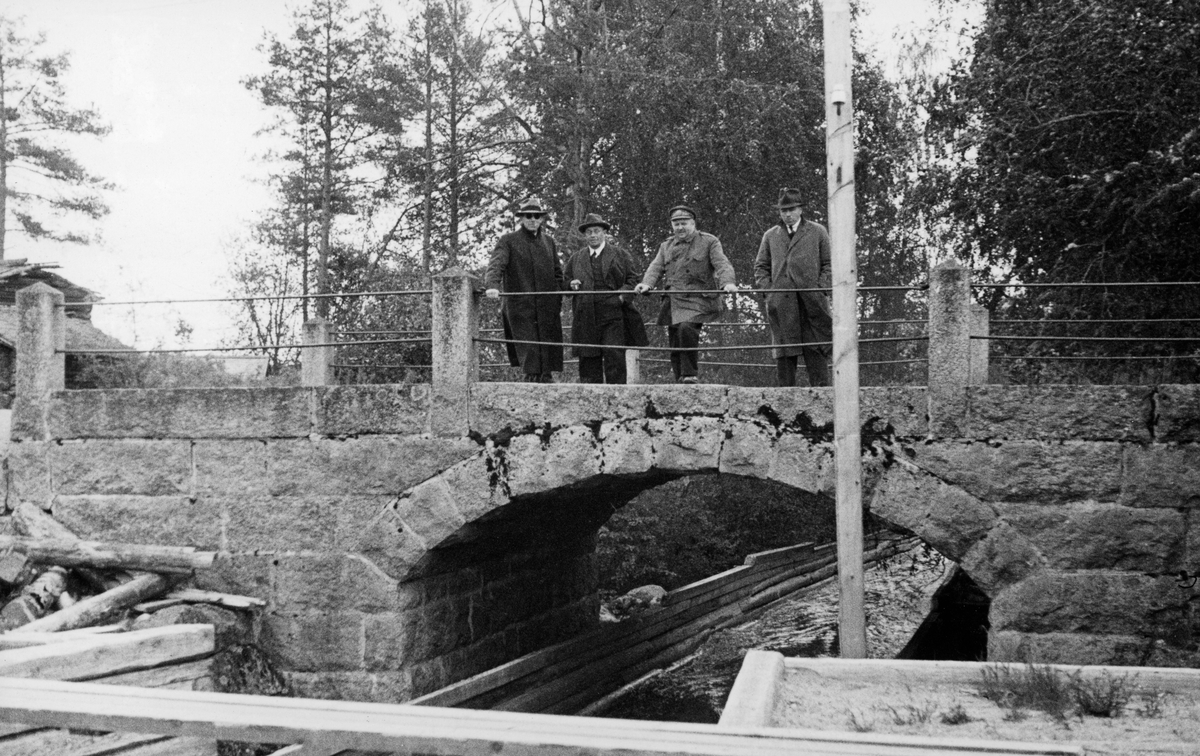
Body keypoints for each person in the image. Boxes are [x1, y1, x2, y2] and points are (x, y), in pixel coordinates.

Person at [634, 205, 737, 384]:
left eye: (684, 223)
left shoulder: (709, 241)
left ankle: (690, 374)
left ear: (693, 223)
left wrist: (727, 283)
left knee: (686, 329)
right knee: (675, 340)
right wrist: (646, 284)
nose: (680, 228)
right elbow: (656, 267)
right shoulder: (666, 246)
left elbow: (722, 264)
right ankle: (679, 379)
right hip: (674, 299)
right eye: (676, 224)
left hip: (699, 299)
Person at [753, 187, 833, 387]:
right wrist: (770, 292)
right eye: (783, 210)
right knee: (785, 352)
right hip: (782, 303)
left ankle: (823, 398)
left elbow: (830, 263)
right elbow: (760, 266)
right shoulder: (771, 235)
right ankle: (784, 403)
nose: (787, 214)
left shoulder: (817, 231)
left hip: (811, 302)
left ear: (801, 210)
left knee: (815, 348)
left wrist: (820, 287)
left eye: (792, 209)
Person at [484, 197, 565, 383]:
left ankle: (546, 378)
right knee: (528, 348)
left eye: (537, 216)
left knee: (547, 345)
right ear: (521, 218)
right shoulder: (508, 241)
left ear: (542, 219)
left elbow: (557, 273)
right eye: (528, 216)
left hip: (546, 304)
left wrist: (558, 296)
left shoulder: (548, 242)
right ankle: (531, 381)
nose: (533, 220)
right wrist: (492, 286)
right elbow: (496, 265)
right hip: (521, 304)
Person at [564, 213, 648, 384]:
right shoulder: (576, 258)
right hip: (585, 315)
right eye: (589, 232)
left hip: (613, 314)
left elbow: (632, 280)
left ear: (604, 233)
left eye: (596, 231)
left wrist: (621, 298)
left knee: (614, 355)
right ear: (584, 235)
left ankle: (618, 400)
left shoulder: (620, 255)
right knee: (588, 358)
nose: (593, 235)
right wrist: (571, 284)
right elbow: (565, 282)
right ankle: (591, 401)